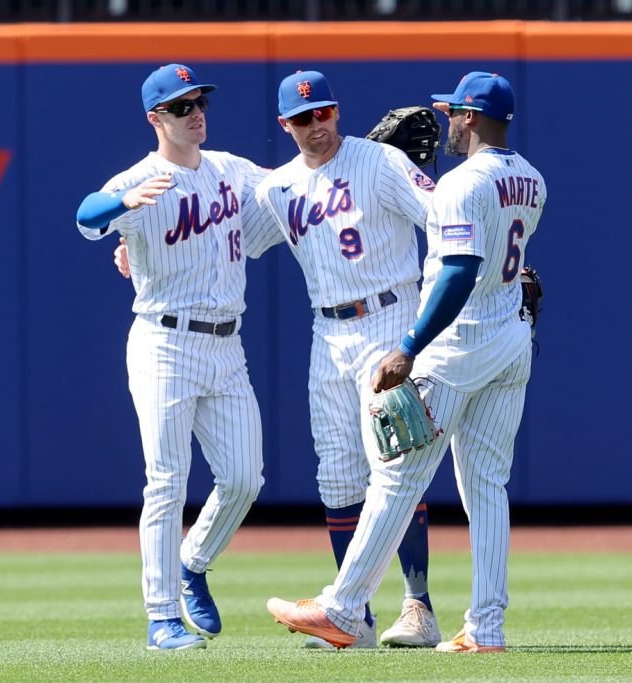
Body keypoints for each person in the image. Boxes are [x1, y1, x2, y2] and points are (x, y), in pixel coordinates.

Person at [266, 71, 546, 653]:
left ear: (471, 117)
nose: (446, 121)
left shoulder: (459, 183)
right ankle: (486, 629)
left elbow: (459, 269)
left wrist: (410, 346)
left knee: (396, 475)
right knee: (486, 487)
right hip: (511, 336)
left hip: (457, 344)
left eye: (453, 113)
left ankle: (343, 610)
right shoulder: (532, 178)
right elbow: (498, 256)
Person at [241, 70, 443, 649]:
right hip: (326, 332)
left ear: (336, 111)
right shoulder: (275, 188)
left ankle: (418, 608)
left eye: (322, 113)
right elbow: (236, 241)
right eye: (302, 118)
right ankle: (353, 619)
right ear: (285, 125)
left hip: (389, 315)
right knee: (336, 476)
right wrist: (138, 245)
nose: (315, 126)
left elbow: (443, 218)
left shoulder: (379, 162)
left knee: (395, 465)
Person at [75, 63, 269, 651]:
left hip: (226, 343)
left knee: (243, 478)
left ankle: (193, 562)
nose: (197, 113)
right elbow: (85, 217)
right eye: (182, 107)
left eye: (200, 102)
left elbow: (291, 188)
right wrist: (122, 204)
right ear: (155, 118)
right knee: (166, 481)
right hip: (165, 341)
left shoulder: (232, 169)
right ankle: (161, 617)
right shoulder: (138, 178)